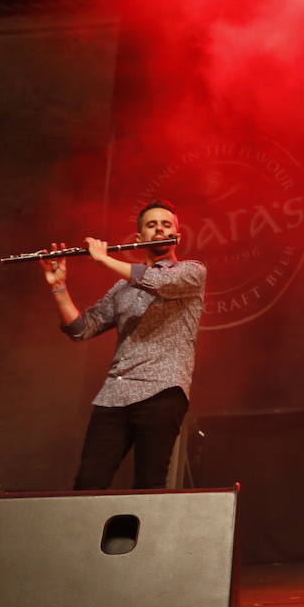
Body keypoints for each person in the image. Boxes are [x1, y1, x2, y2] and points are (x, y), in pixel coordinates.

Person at [43, 199, 206, 490]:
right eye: (152, 225)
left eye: (166, 225)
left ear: (177, 236)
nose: (159, 229)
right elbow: (80, 329)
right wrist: (59, 286)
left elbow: (158, 283)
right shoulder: (122, 288)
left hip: (162, 390)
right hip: (114, 395)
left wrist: (103, 259)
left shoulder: (192, 271)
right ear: (139, 238)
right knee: (88, 482)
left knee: (148, 483)